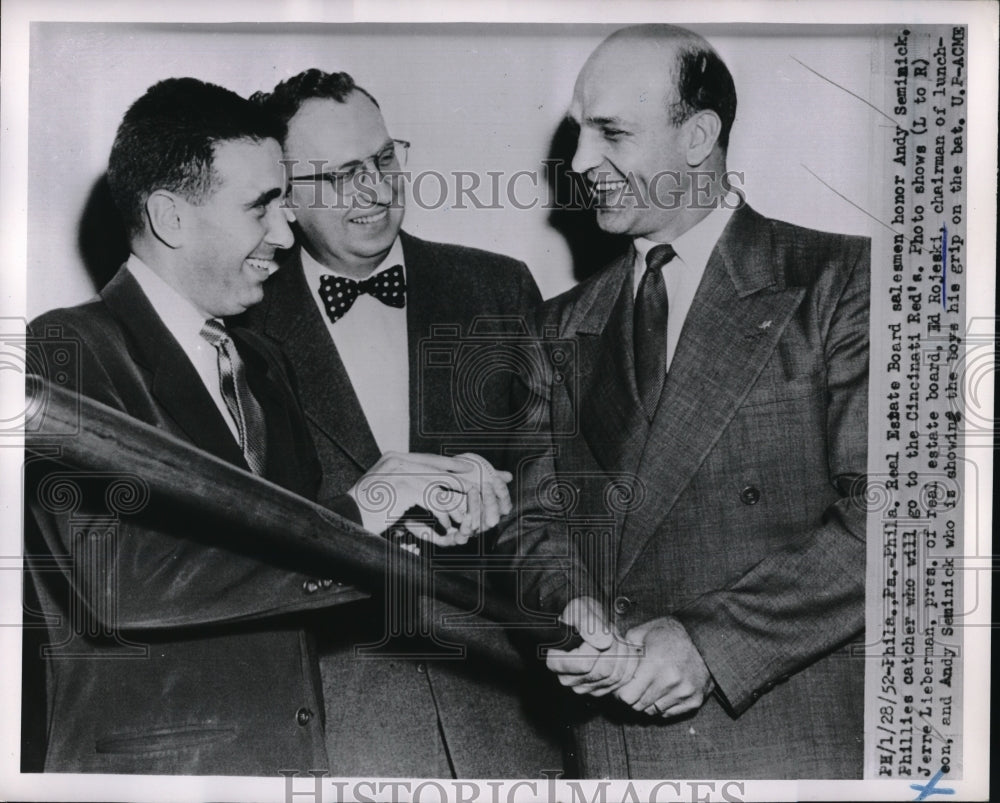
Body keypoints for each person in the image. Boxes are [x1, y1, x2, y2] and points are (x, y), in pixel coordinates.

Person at [22, 77, 507, 775]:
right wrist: (365, 509)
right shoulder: (65, 350)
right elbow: (119, 580)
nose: (285, 233)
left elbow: (292, 560)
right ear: (171, 217)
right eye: (260, 208)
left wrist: (406, 527)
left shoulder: (261, 359)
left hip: (295, 763)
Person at [525, 25, 870, 778]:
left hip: (783, 744)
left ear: (698, 136)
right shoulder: (557, 324)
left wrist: (710, 641)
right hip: (611, 750)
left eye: (610, 132)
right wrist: (574, 607)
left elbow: (892, 519)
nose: (580, 164)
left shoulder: (843, 280)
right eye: (579, 132)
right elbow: (537, 522)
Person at [239, 69, 562, 778]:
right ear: (283, 197)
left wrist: (499, 498)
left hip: (505, 705)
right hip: (338, 715)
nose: (376, 190)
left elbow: (560, 489)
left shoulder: (499, 288)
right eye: (341, 174)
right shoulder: (239, 322)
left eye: (384, 159)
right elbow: (240, 540)